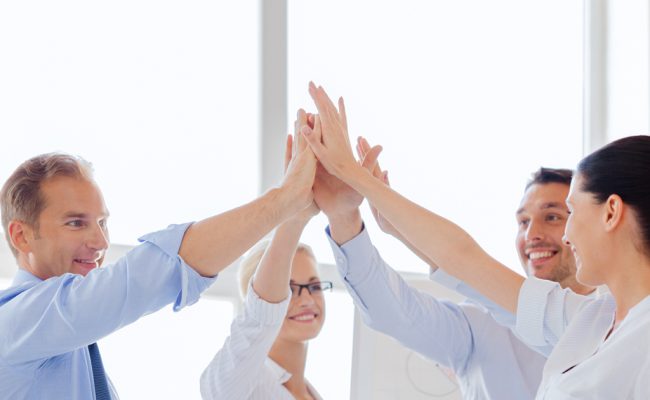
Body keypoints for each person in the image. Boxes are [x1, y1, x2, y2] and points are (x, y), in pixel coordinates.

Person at [303, 82, 650, 399]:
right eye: (523, 221)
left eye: (567, 214)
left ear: (611, 212)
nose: (563, 234)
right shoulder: (590, 320)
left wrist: (354, 174)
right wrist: (361, 191)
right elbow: (464, 257)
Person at [0, 111, 318, 400]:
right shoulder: (16, 322)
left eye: (102, 222)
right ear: (21, 235)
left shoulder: (69, 345)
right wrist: (284, 200)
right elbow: (144, 276)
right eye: (75, 223)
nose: (99, 242)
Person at [199, 112, 329, 400]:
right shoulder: (243, 385)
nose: (307, 299)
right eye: (289, 289)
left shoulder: (312, 393)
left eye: (314, 286)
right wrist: (293, 213)